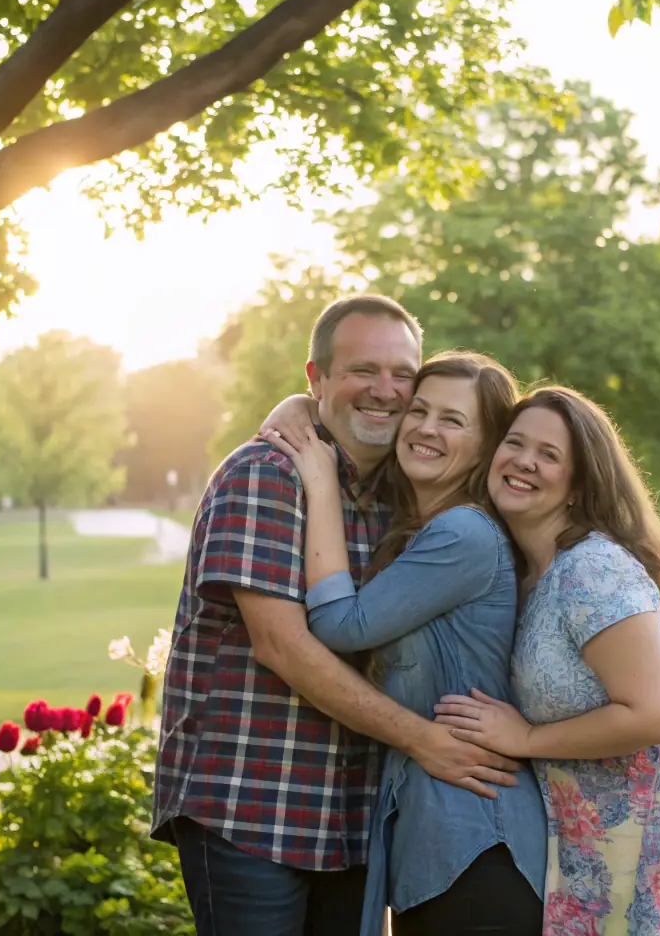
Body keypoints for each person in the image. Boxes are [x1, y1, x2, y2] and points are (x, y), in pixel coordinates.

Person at [152, 296, 521, 936]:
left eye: (402, 375)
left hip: (353, 818)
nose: (385, 390)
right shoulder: (264, 476)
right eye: (361, 370)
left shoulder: (406, 500)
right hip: (252, 803)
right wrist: (421, 739)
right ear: (316, 378)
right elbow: (283, 646)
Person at [435, 386, 660, 936]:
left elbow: (659, 716)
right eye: (515, 443)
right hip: (590, 837)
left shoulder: (593, 571)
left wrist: (525, 739)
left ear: (579, 484)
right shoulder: (521, 570)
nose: (525, 461)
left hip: (653, 833)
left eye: (549, 455)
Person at [262, 352, 546, 936]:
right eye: (419, 410)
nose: (424, 427)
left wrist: (316, 481)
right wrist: (300, 405)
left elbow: (341, 625)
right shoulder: (420, 522)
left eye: (452, 420)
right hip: (439, 833)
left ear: (488, 445)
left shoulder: (462, 532)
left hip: (476, 836)